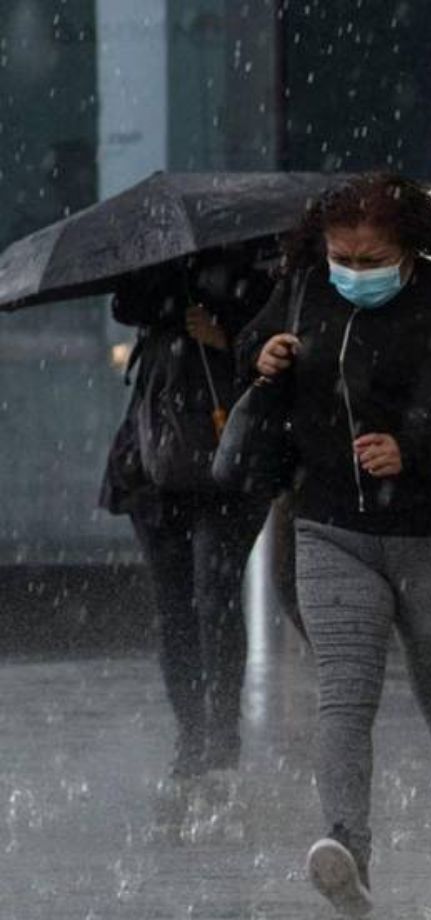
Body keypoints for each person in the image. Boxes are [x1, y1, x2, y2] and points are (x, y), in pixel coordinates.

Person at [236, 173, 431, 914]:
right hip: (331, 526)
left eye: (372, 256)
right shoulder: (303, 289)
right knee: (345, 697)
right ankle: (347, 846)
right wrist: (264, 356)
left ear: (408, 247)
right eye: (342, 255)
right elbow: (249, 348)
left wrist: (413, 447)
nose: (355, 270)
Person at [100, 250, 274, 778]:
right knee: (174, 605)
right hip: (156, 464)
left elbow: (286, 348)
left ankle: (220, 733)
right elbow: (125, 306)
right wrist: (175, 285)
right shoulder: (156, 269)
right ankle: (192, 734)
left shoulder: (259, 272)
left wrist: (227, 335)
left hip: (228, 465)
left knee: (213, 596)